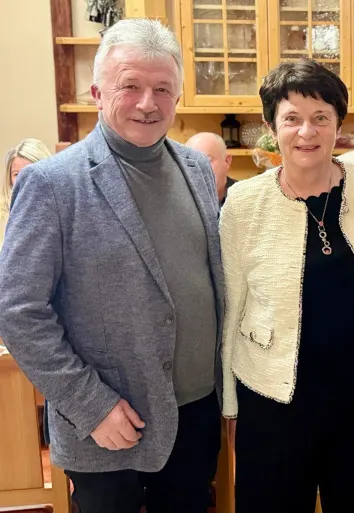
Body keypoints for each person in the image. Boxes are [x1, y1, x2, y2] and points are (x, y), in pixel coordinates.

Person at [0, 19, 224, 513]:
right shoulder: (51, 184)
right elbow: (18, 311)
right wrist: (91, 406)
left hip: (196, 417)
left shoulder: (195, 170)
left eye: (162, 88)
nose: (148, 103)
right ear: (98, 92)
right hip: (109, 425)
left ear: (178, 96)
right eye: (131, 86)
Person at [219, 59, 354, 513]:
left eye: (320, 118)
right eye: (291, 118)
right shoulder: (244, 203)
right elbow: (230, 307)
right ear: (271, 127)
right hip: (273, 402)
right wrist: (231, 407)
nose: (306, 132)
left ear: (339, 124)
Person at [1, 138, 51, 248]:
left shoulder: (59, 211)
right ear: (9, 179)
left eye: (30, 172)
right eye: (16, 174)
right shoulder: (3, 213)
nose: (22, 180)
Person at [185, 132, 236, 205]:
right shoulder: (180, 200)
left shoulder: (245, 198)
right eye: (191, 163)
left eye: (207, 160)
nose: (199, 169)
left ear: (227, 161)